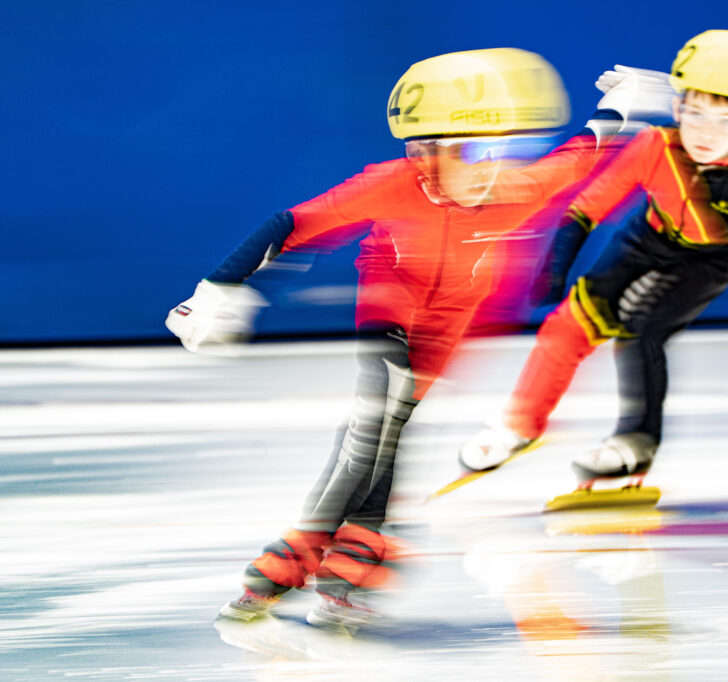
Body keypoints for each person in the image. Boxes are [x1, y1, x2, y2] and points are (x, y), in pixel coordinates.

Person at [165, 47, 647, 629]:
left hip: (446, 328)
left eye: (497, 150)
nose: (489, 168)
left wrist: (617, 107)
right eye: (470, 151)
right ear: (423, 153)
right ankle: (306, 550)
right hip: (391, 309)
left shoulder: (518, 187)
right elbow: (293, 225)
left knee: (380, 431)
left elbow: (581, 152)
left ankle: (359, 544)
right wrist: (214, 289)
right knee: (376, 422)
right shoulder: (393, 184)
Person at [458, 31, 728, 488]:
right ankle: (521, 424)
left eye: (724, 122)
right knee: (567, 326)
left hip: (708, 261)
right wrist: (557, 264)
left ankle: (636, 443)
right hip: (645, 240)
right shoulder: (652, 147)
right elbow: (588, 208)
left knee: (642, 329)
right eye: (695, 115)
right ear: (677, 110)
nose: (704, 132)